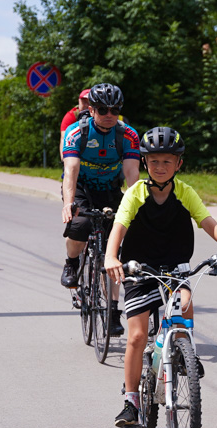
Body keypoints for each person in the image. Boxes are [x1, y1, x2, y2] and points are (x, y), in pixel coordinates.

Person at [105, 126, 217, 427]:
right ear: (145, 164)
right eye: (154, 161)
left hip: (174, 267)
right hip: (138, 268)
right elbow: (120, 227)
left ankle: (184, 352)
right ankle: (130, 400)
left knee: (184, 301)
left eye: (167, 161)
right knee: (137, 335)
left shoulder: (185, 192)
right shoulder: (136, 193)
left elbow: (207, 221)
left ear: (179, 164)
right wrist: (111, 256)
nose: (160, 167)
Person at [60, 83, 140, 337]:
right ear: (92, 110)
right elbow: (71, 171)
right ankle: (72, 263)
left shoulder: (127, 135)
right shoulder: (76, 133)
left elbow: (131, 174)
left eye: (115, 110)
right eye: (103, 109)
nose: (109, 114)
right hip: (82, 189)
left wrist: (136, 207)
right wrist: (68, 203)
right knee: (80, 225)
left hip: (110, 191)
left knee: (113, 252)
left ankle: (113, 311)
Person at [59, 89, 90, 161]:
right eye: (84, 101)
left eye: (90, 102)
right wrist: (64, 159)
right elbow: (64, 138)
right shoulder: (72, 116)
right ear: (79, 101)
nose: (87, 105)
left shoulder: (101, 115)